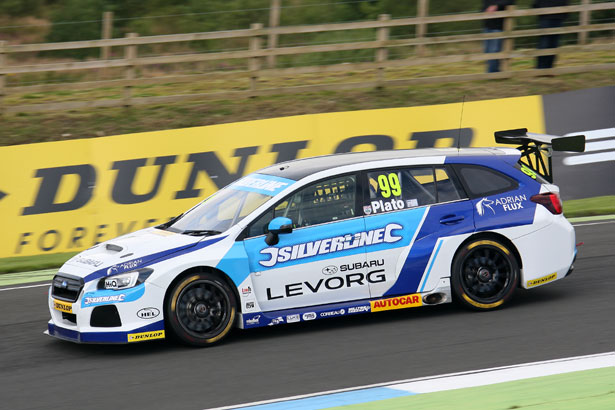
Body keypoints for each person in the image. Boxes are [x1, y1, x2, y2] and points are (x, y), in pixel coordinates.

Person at [534, 0, 569, 69]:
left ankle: (549, 68)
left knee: (554, 44)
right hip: (546, 16)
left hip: (558, 16)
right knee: (544, 43)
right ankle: (540, 68)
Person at [483, 1, 515, 73]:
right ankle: (491, 72)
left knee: (494, 50)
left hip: (498, 25)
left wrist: (496, 6)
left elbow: (512, 1)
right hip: (487, 24)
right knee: (487, 50)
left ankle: (493, 73)